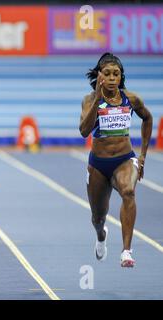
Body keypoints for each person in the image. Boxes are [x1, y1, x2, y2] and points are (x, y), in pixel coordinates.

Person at [79, 53, 152, 267]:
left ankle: (126, 251)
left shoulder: (131, 99)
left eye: (116, 74)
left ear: (121, 77)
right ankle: (101, 236)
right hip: (99, 165)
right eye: (107, 73)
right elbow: (84, 131)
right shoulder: (89, 100)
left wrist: (143, 156)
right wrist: (97, 101)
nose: (112, 78)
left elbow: (147, 118)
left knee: (128, 192)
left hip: (124, 160)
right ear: (99, 76)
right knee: (97, 218)